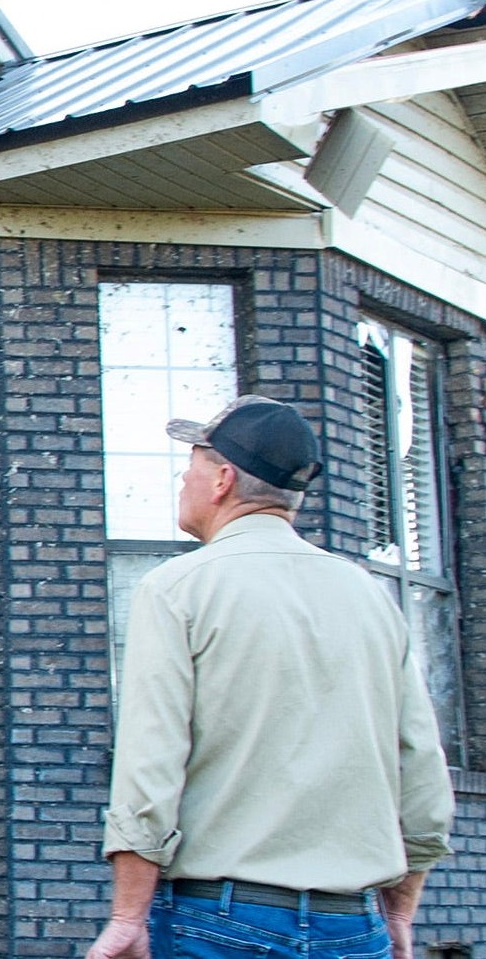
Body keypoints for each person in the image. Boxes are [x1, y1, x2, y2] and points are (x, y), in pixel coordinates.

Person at [86, 394, 453, 959]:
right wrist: (400, 912)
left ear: (223, 480)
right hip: (353, 926)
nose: (182, 479)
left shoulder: (179, 589)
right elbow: (422, 774)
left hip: (220, 923)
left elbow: (149, 764)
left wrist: (127, 915)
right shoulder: (370, 598)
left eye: (191, 464)